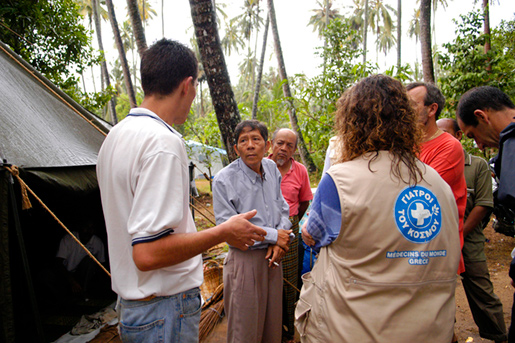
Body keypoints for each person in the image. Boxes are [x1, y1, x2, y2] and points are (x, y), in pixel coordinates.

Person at [96, 39, 266, 342]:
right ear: (187, 85)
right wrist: (224, 232)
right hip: (163, 311)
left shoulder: (115, 137)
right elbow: (147, 253)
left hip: (136, 307)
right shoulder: (163, 142)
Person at [296, 74, 461, 342]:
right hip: (429, 328)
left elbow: (313, 234)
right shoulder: (437, 183)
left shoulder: (341, 180)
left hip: (355, 326)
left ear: (352, 123)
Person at [213, 120, 293, 343]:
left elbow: (283, 208)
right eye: (243, 141)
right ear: (236, 149)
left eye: (256, 139)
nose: (250, 145)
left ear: (266, 145)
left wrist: (279, 241)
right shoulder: (223, 180)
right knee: (245, 331)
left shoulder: (270, 168)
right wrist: (275, 236)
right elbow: (229, 229)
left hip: (273, 259)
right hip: (244, 261)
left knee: (272, 328)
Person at [438, 118, 508, 343]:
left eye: (444, 133)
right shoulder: (431, 164)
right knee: (440, 293)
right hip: (439, 243)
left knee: (481, 289)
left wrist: (458, 234)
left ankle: (497, 334)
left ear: (458, 136)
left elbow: (483, 204)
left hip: (469, 239)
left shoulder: (476, 165)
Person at [455, 86, 515, 343]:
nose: (478, 144)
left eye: (473, 135)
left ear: (482, 116)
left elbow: (495, 200)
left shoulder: (510, 142)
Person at [407, 82, 467, 277]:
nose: (405, 111)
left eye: (412, 105)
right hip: (411, 246)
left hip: (437, 247)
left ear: (432, 109)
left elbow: (420, 192)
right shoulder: (406, 145)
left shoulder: (449, 147)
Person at [268, 128, 313, 342]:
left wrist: (292, 223)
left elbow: (304, 202)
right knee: (265, 275)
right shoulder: (261, 165)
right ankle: (268, 326)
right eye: (280, 143)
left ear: (294, 149)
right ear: (271, 144)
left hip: (291, 228)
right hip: (264, 227)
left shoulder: (300, 170)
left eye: (289, 145)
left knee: (289, 279)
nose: (283, 149)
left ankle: (286, 328)